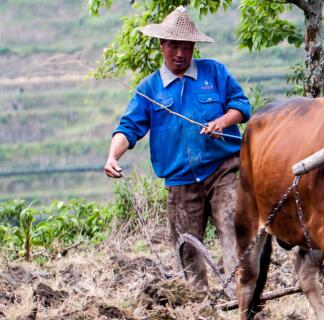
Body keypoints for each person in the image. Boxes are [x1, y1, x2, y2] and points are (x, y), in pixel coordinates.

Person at [103, 6, 251, 289]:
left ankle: (240, 296)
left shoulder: (214, 73)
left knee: (233, 228)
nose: (180, 54)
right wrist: (112, 156)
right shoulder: (149, 89)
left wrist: (223, 121)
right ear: (162, 45)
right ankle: (199, 304)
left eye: (186, 47)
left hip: (223, 171)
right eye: (174, 47)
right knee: (187, 249)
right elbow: (128, 128)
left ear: (194, 46)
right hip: (181, 181)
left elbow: (241, 106)